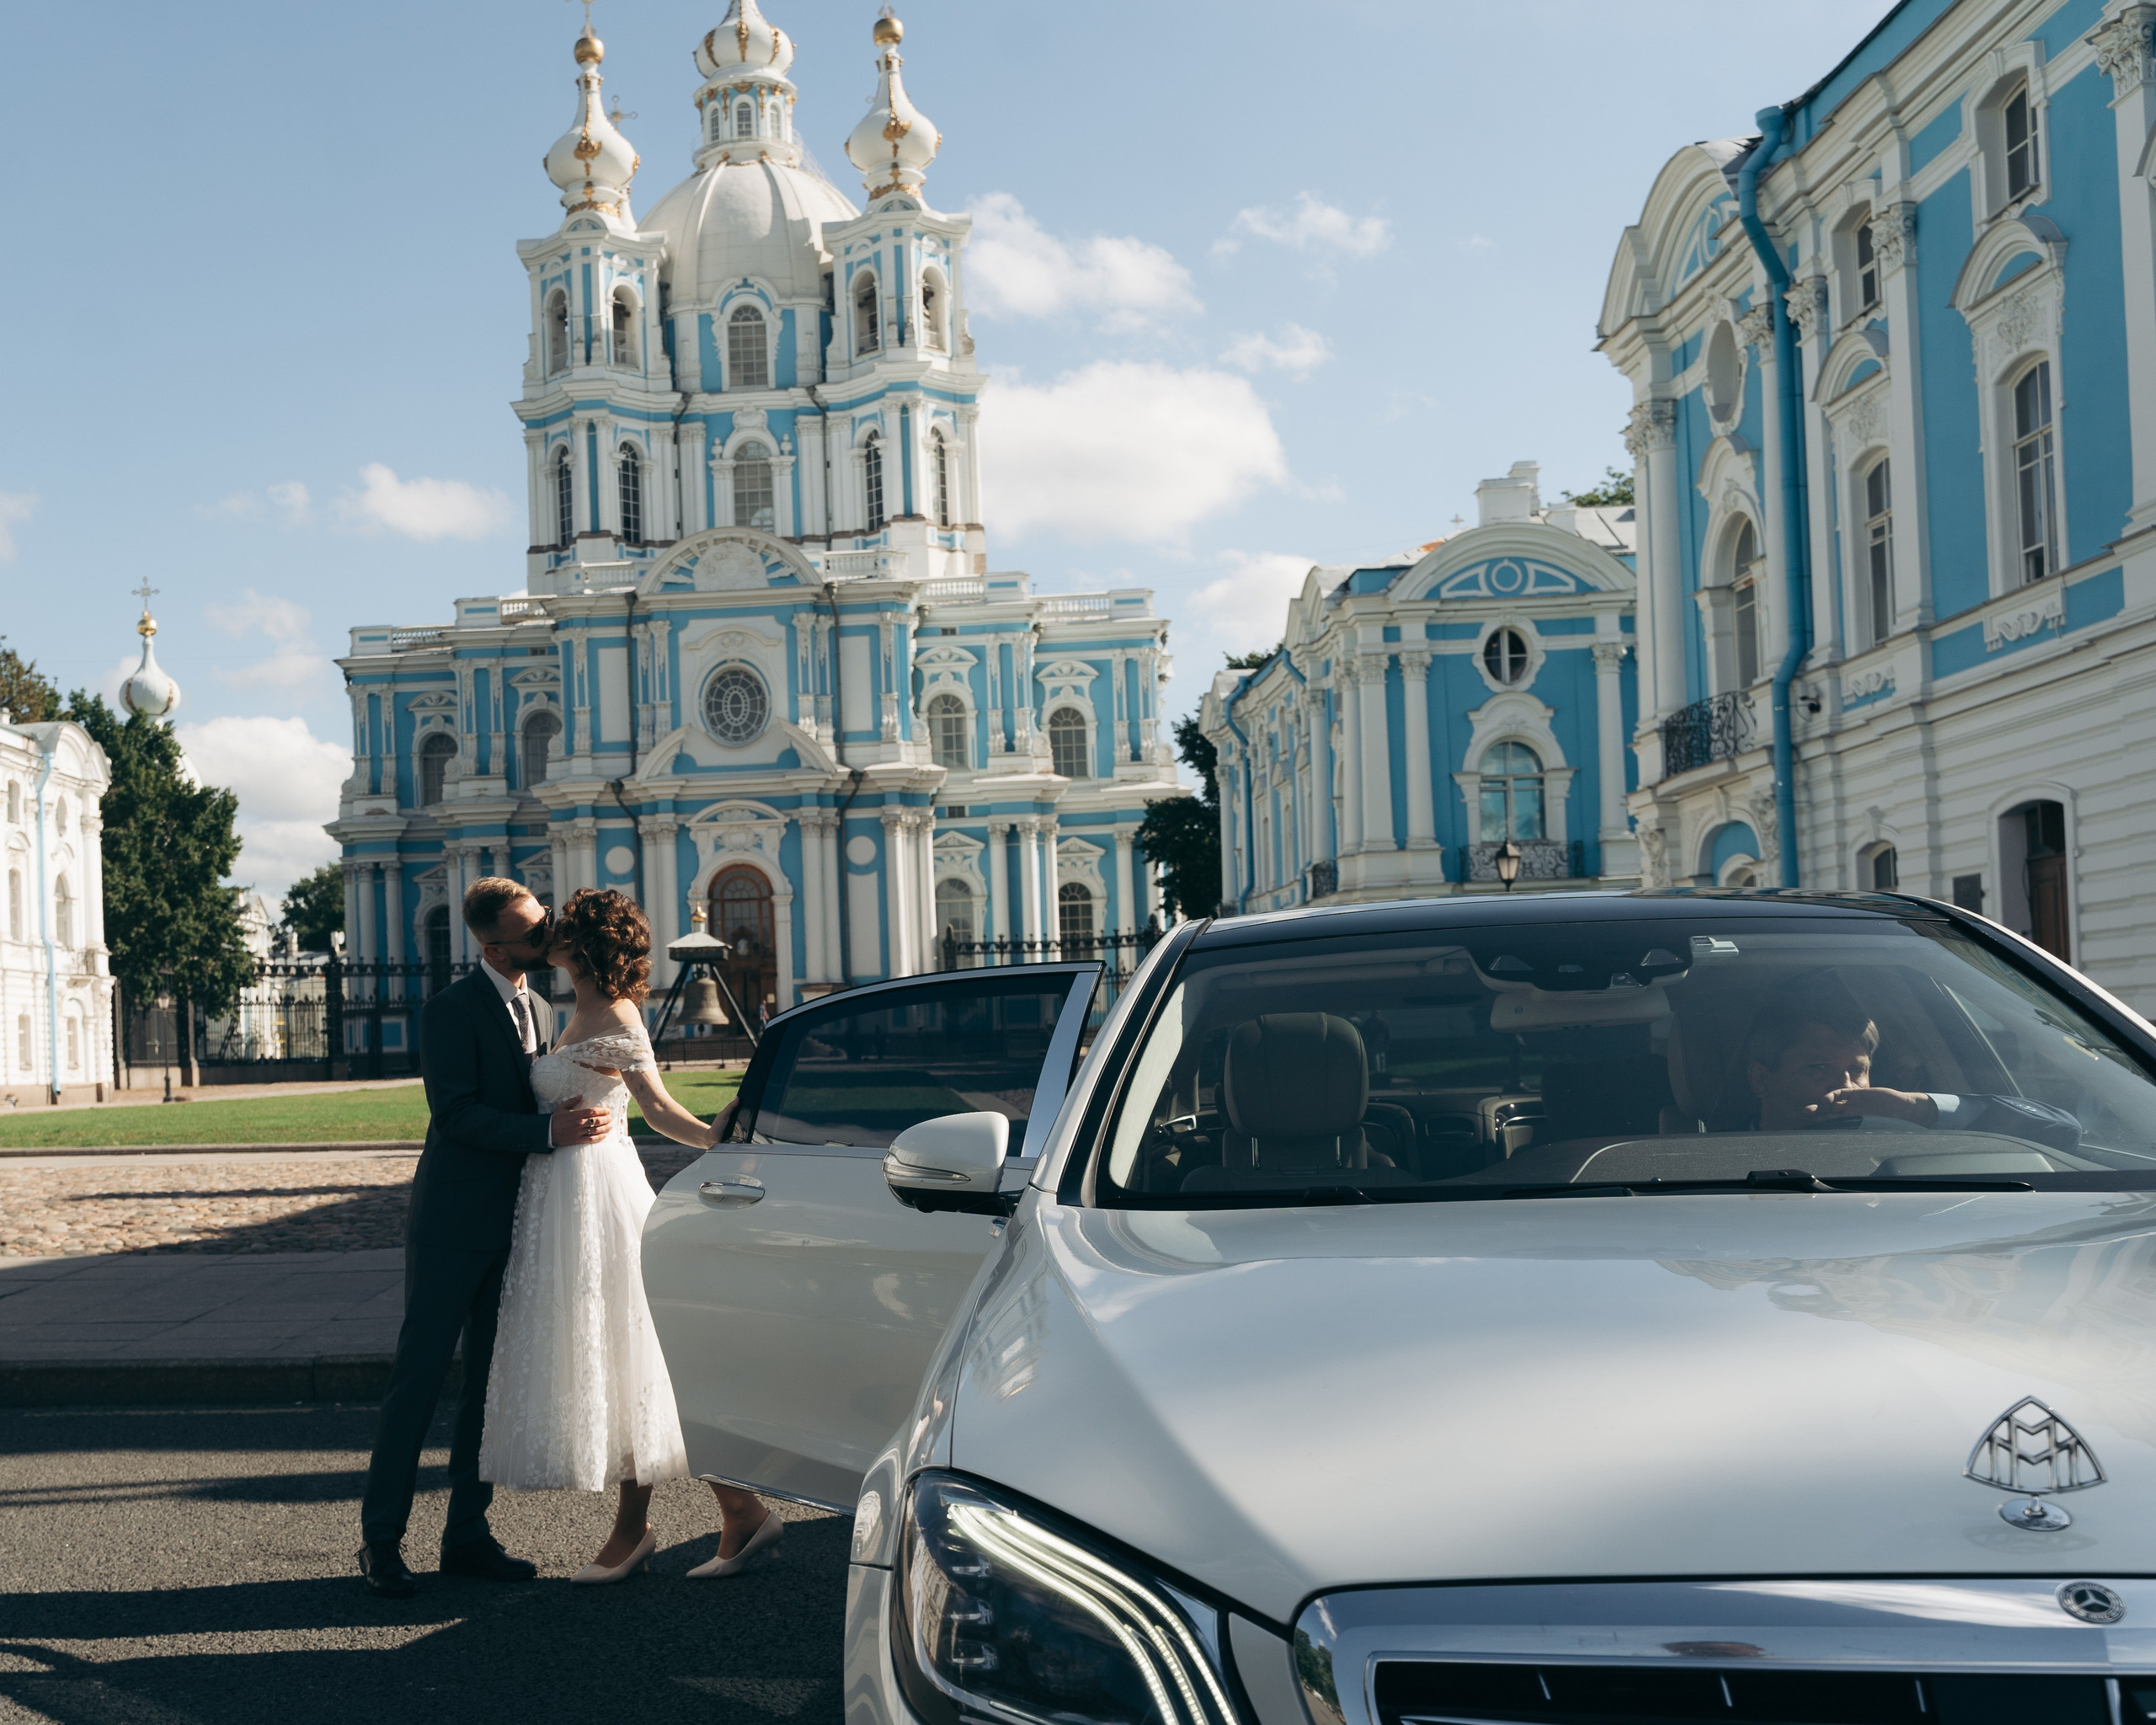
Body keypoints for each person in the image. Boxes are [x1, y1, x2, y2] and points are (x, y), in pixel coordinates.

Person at [478, 887, 780, 1583]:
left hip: (600, 1195)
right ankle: (730, 1512)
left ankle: (659, 1526)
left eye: (560, 926)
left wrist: (714, 1136)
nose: (547, 930)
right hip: (561, 1195)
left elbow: (656, 1107)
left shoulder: (615, 1013)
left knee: (628, 1353)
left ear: (580, 945)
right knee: (613, 1357)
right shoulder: (566, 1009)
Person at [358, 879, 611, 1599]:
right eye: (535, 932)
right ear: (491, 944)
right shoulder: (449, 1010)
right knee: (419, 1382)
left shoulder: (538, 1005)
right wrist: (544, 1132)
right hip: (452, 1224)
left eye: (547, 924)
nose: (548, 937)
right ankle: (381, 1541)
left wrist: (563, 1115)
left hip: (519, 1221)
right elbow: (457, 1114)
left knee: (488, 1391)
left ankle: (467, 1533)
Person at [1744, 982, 2079, 1154]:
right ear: (1762, 1080)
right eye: (1818, 1068)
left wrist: (1912, 1109)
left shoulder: (1906, 1148)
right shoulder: (1709, 1159)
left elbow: (2060, 1129)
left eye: (1857, 1070)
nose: (1845, 1086)